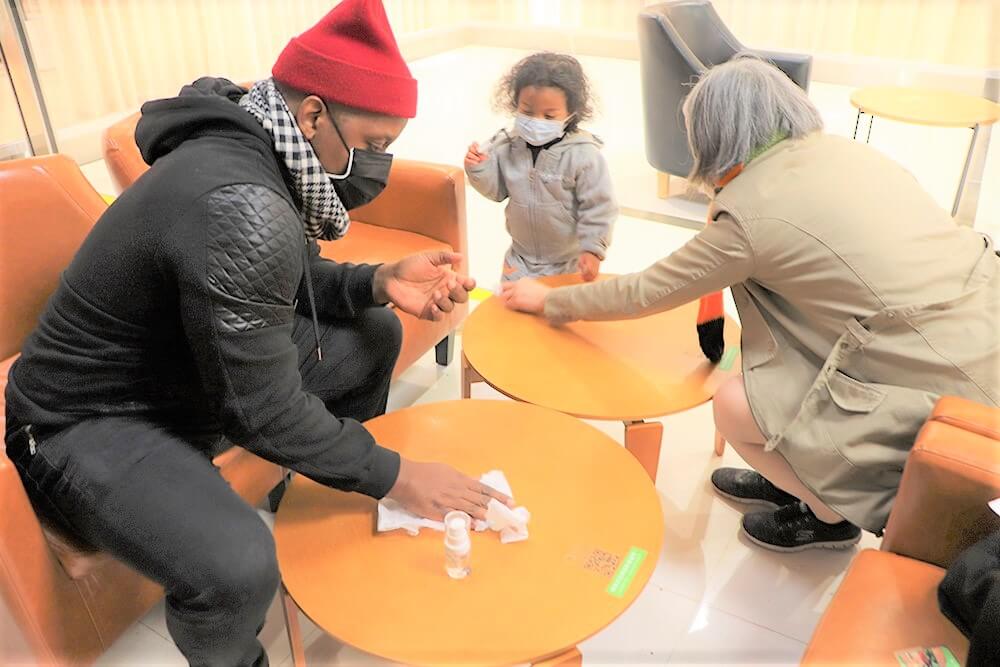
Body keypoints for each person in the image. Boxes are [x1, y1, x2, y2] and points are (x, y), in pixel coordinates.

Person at [3, 1, 509, 665]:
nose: (379, 165)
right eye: (374, 145)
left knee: (374, 335)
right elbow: (262, 410)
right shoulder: (241, 200)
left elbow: (279, 279)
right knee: (238, 565)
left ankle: (309, 498)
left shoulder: (256, 145)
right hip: (89, 417)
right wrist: (398, 475)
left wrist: (378, 280)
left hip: (185, 368)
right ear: (313, 116)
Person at [500, 54, 1000, 553]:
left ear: (712, 134)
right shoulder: (847, 153)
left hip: (938, 383)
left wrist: (551, 300)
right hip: (979, 332)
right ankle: (799, 477)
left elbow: (646, 291)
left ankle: (828, 514)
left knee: (733, 405)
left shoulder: (752, 214)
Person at [464, 51, 618, 284]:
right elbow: (496, 191)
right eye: (527, 112)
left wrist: (593, 249)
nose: (536, 121)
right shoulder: (507, 145)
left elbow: (600, 206)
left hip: (569, 261)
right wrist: (479, 169)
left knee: (559, 306)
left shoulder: (584, 155)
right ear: (516, 104)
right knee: (511, 304)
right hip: (519, 258)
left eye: (549, 116)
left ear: (571, 114)